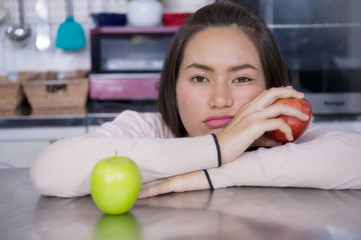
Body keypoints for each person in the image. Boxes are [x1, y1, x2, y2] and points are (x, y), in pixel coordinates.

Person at [30, 1, 361, 198]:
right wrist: (217, 148)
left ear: (270, 88)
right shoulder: (146, 128)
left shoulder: (282, 132)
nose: (220, 99)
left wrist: (212, 173)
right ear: (173, 85)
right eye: (200, 78)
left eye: (242, 78)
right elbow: (49, 171)